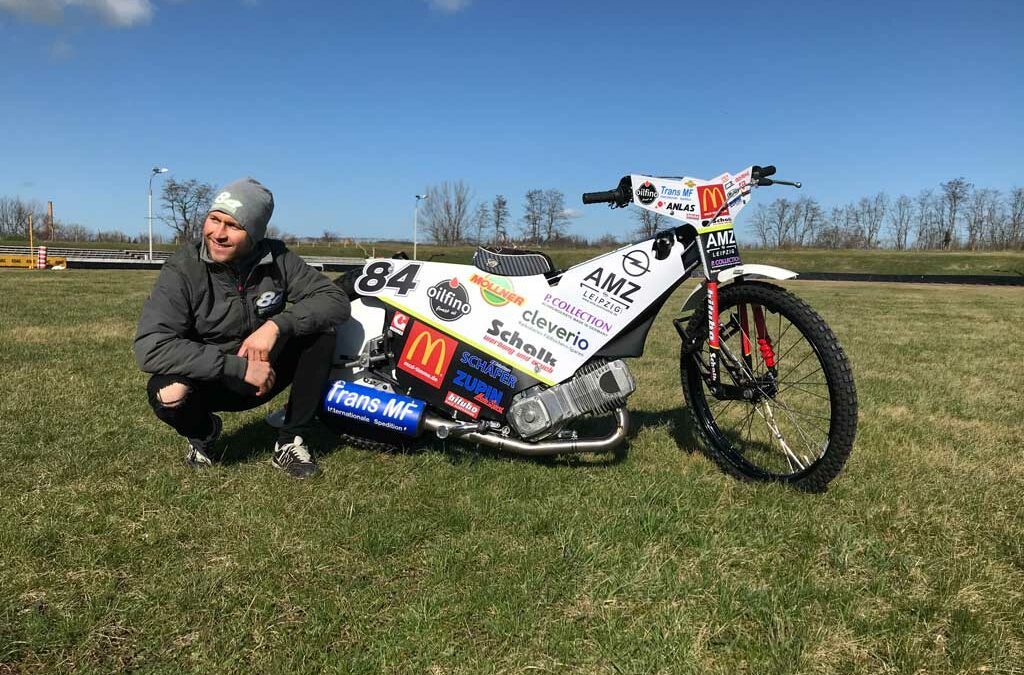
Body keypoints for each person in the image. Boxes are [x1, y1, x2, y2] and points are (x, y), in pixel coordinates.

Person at [134, 177, 349, 478]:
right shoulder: (183, 268)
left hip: (268, 372)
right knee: (169, 393)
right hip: (213, 380)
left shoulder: (279, 258)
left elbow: (334, 300)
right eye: (213, 220)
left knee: (319, 331)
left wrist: (277, 324)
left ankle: (290, 440)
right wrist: (235, 367)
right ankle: (205, 432)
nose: (218, 234)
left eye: (233, 226)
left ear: (256, 233)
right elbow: (151, 345)